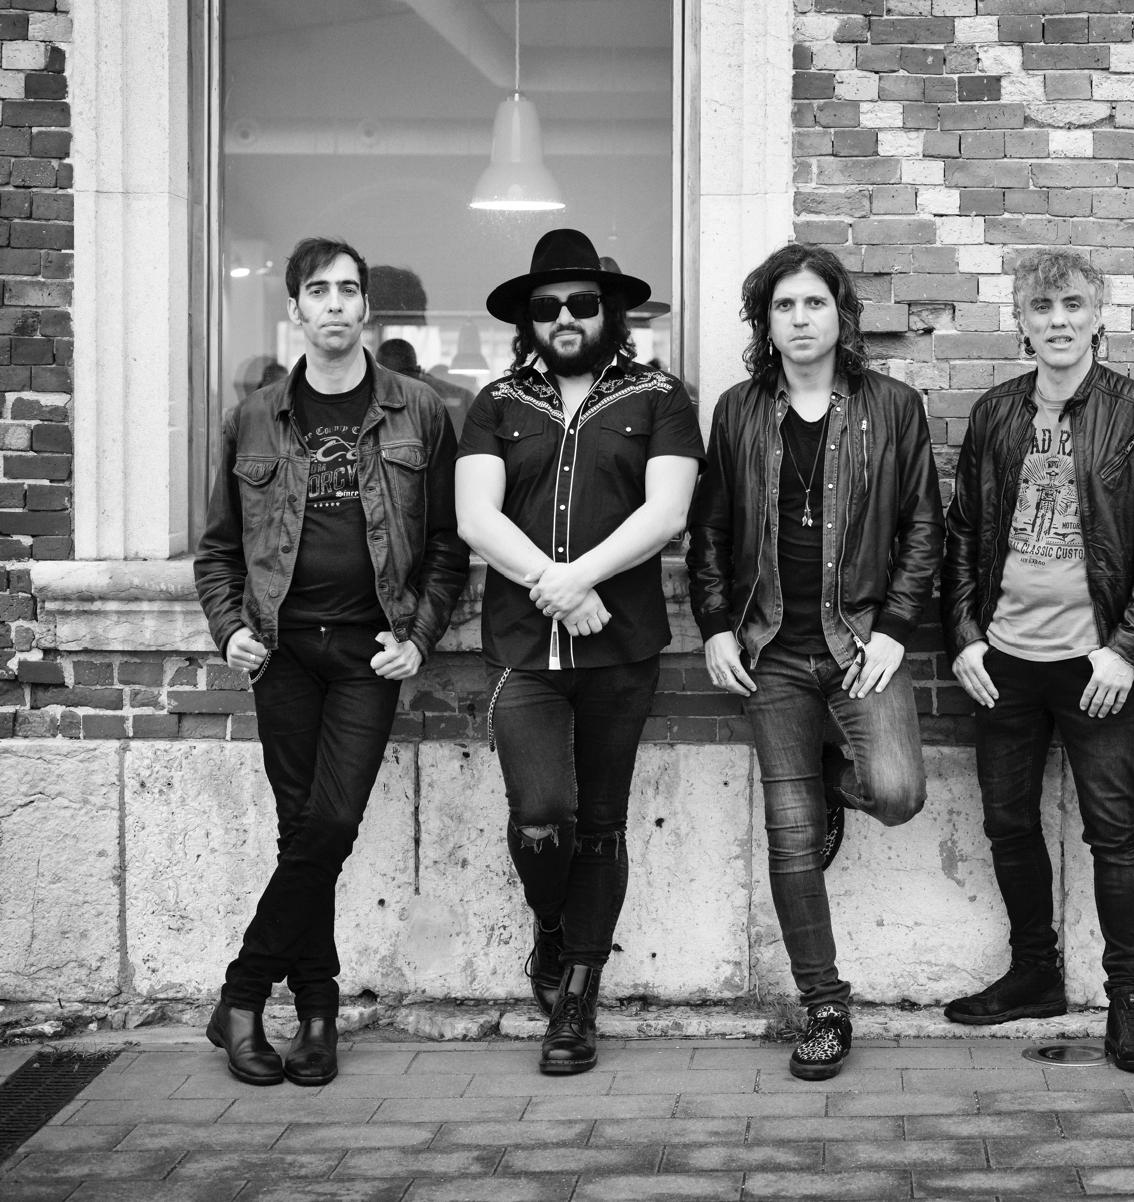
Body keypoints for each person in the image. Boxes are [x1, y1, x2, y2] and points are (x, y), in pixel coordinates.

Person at [194, 236, 468, 1087]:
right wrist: (228, 628)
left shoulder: (419, 410)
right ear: (297, 309)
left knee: (331, 825)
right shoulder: (253, 417)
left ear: (366, 307)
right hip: (281, 653)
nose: (337, 304)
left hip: (366, 652)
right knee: (301, 833)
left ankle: (241, 997)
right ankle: (317, 1014)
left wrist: (419, 636)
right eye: (320, 291)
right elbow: (218, 550)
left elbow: (448, 544)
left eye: (349, 289)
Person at [686, 243, 944, 1081]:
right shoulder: (737, 411)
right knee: (791, 838)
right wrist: (715, 627)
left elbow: (923, 528)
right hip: (770, 649)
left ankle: (833, 782)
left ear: (841, 315)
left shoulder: (893, 407)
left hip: (859, 641)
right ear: (765, 323)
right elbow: (710, 531)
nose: (800, 320)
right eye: (784, 306)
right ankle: (825, 1005)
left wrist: (896, 629)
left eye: (814, 303)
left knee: (897, 792)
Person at [455, 229, 702, 1075]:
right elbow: (475, 517)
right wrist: (554, 584)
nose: (565, 317)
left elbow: (667, 512)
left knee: (601, 824)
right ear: (528, 320)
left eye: (582, 303)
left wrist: (581, 577)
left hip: (620, 649)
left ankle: (577, 999)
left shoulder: (660, 397)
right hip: (524, 649)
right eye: (547, 306)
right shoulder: (495, 403)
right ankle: (555, 927)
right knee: (541, 813)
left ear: (611, 312)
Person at [939, 249, 1134, 1074]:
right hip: (1005, 661)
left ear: (1098, 314)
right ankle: (1036, 973)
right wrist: (965, 636)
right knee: (1007, 822)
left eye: (1072, 304)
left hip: (1096, 666)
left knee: (1115, 834)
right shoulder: (996, 413)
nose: (1057, 320)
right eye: (1041, 307)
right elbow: (963, 532)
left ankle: (1131, 1002)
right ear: (1020, 319)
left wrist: (1127, 651)